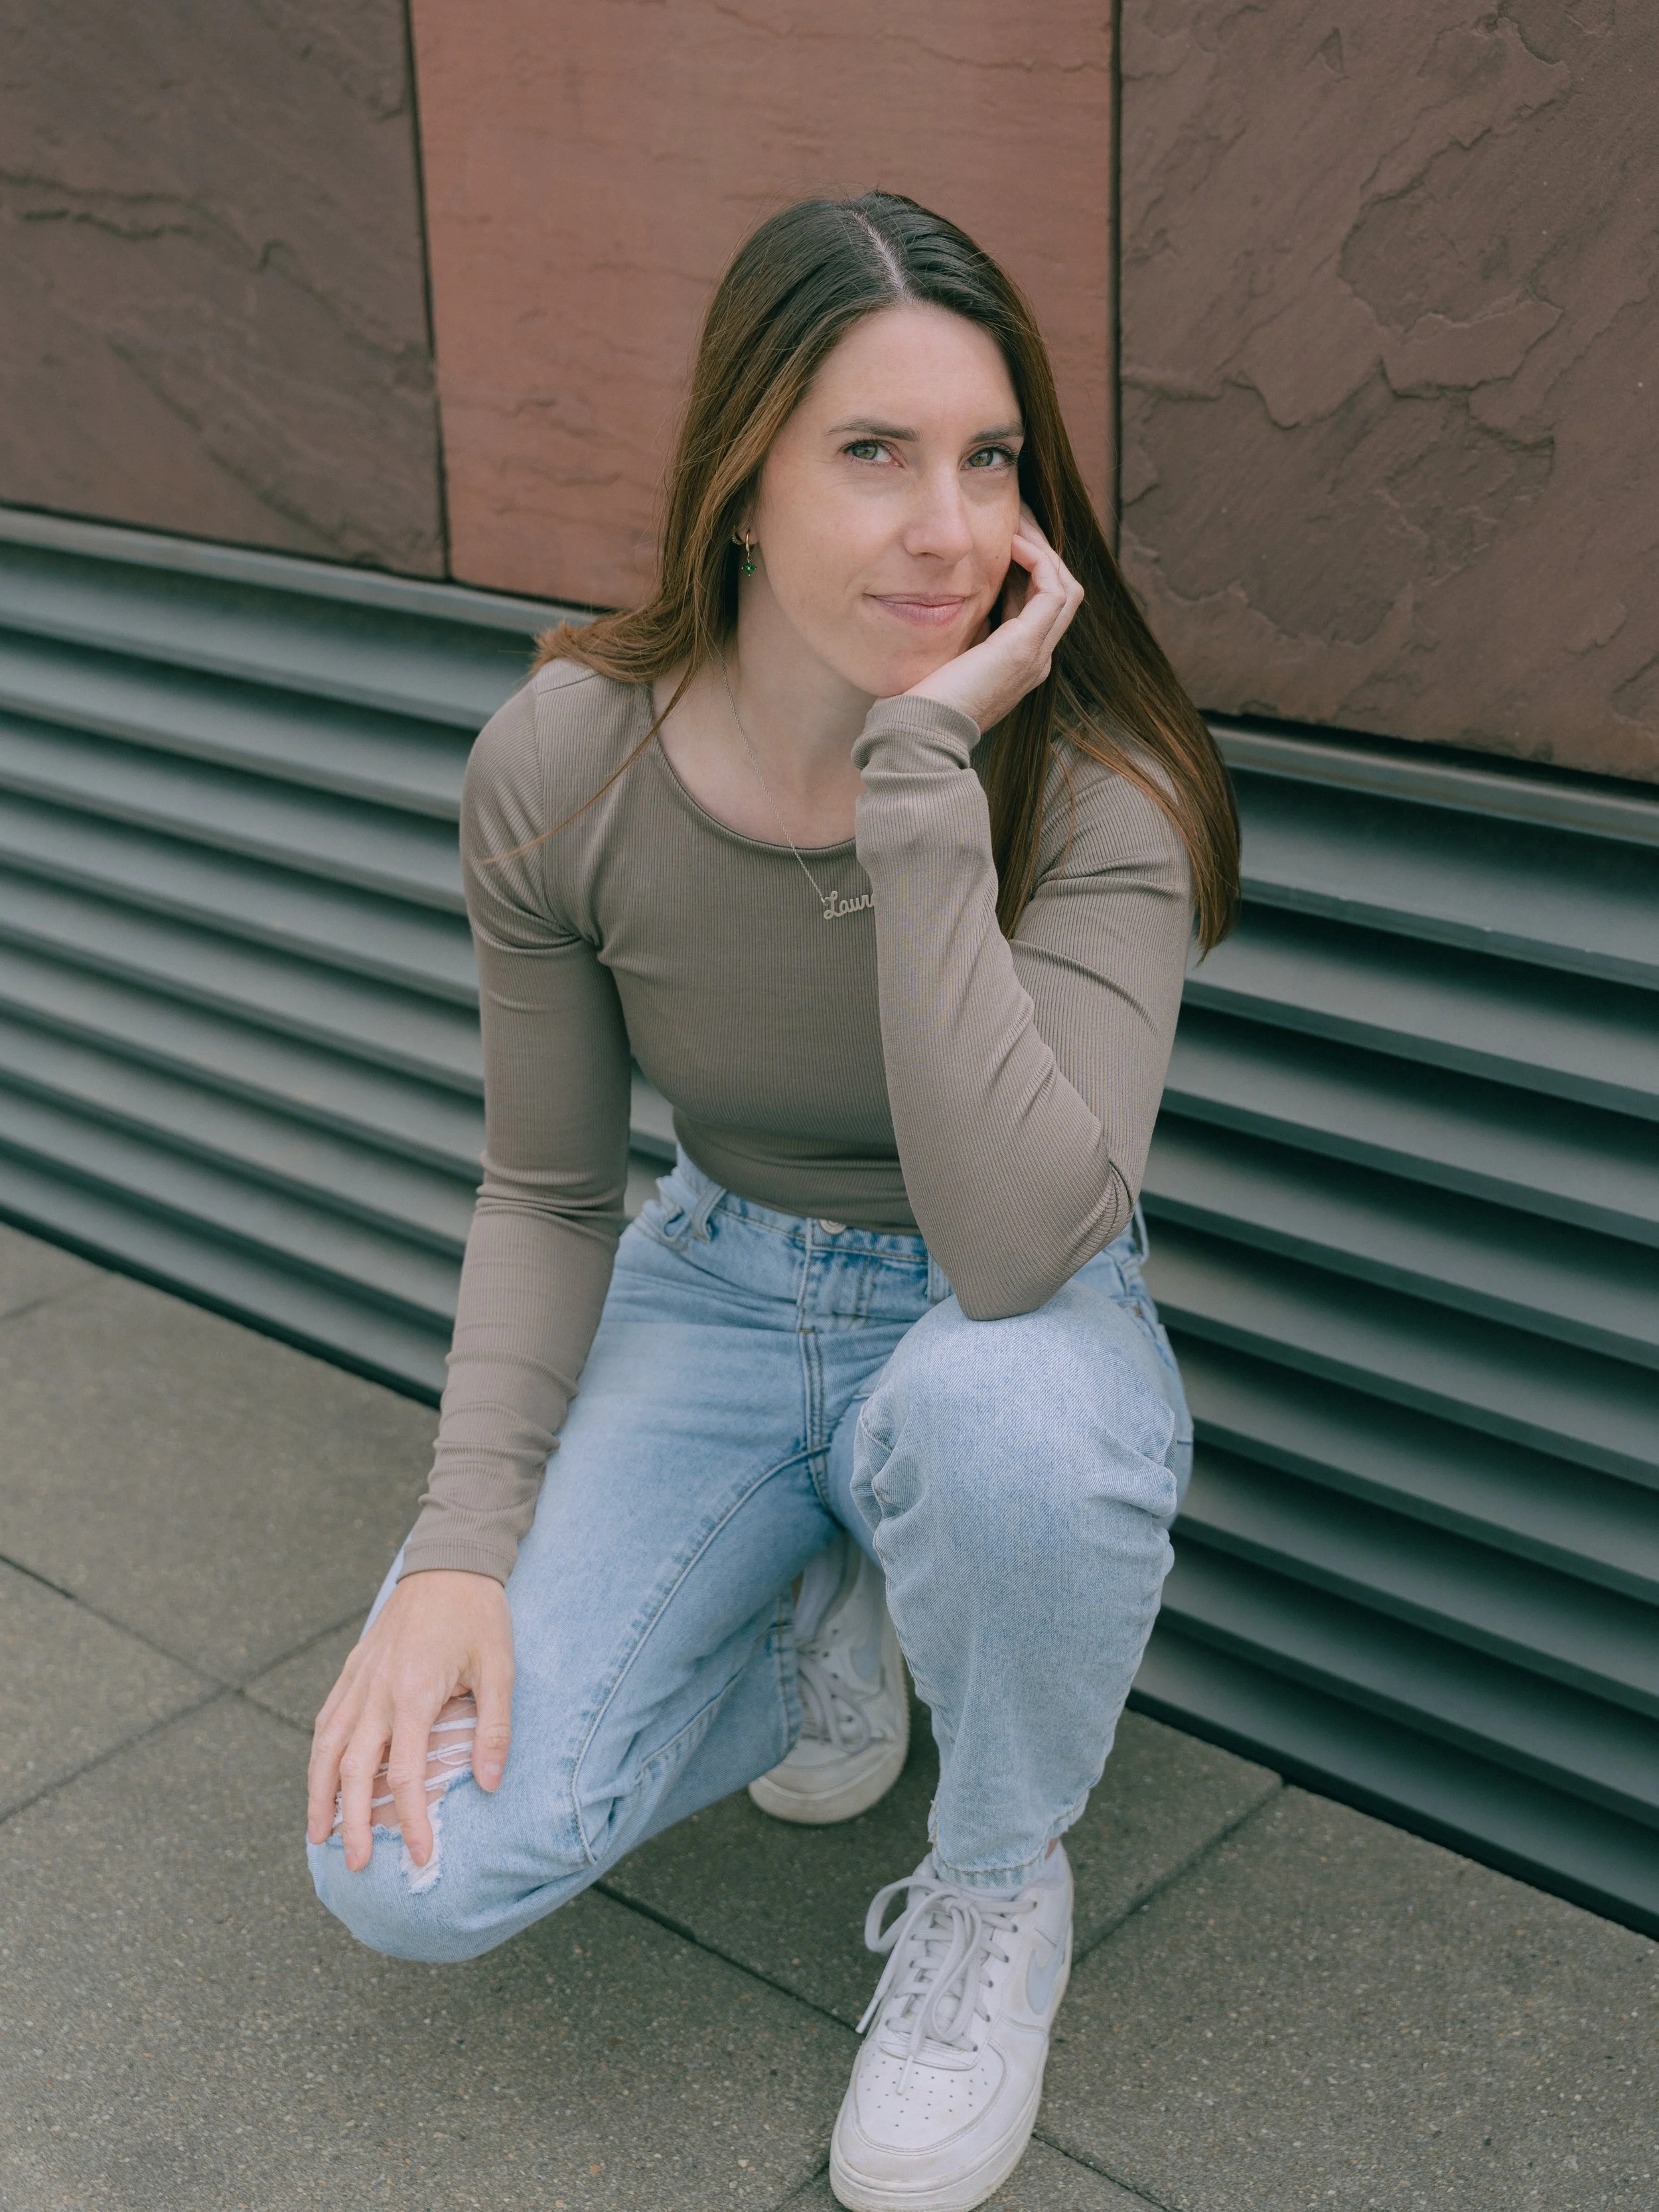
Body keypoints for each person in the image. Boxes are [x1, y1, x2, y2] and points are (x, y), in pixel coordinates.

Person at [306, 190, 1238, 2212]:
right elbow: (550, 1184)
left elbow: (1008, 1248)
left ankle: (993, 1878)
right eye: (871, 452)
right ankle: (816, 1607)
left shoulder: (1091, 796)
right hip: (710, 1279)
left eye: (987, 458)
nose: (946, 526)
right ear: (738, 480)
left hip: (1008, 1319)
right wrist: (464, 1544)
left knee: (1004, 1435)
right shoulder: (563, 763)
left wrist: (919, 781)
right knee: (402, 1859)